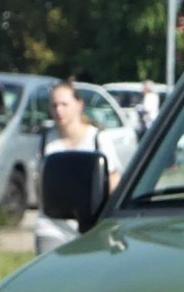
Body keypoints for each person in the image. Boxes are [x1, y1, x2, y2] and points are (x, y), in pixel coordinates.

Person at [34, 79, 123, 255]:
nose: (59, 110)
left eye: (64, 104)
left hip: (92, 226)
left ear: (79, 105)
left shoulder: (97, 139)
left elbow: (113, 180)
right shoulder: (46, 142)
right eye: (54, 105)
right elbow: (39, 185)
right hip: (52, 226)